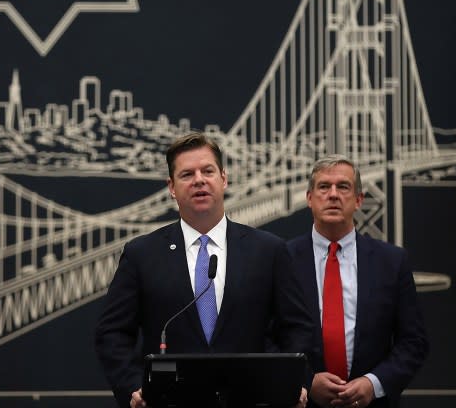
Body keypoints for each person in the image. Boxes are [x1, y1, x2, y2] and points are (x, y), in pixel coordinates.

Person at [95, 132, 318, 408]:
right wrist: (132, 388)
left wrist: (296, 383)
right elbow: (112, 333)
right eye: (187, 174)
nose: (199, 180)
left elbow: (299, 328)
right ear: (171, 187)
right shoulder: (141, 254)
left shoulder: (269, 250)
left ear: (223, 179)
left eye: (208, 171)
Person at [288, 155, 428, 408]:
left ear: (359, 200)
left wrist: (374, 384)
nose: (333, 195)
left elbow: (413, 343)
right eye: (323, 187)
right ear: (309, 198)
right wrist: (306, 381)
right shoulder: (282, 259)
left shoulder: (392, 262)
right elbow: (265, 337)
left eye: (343, 187)